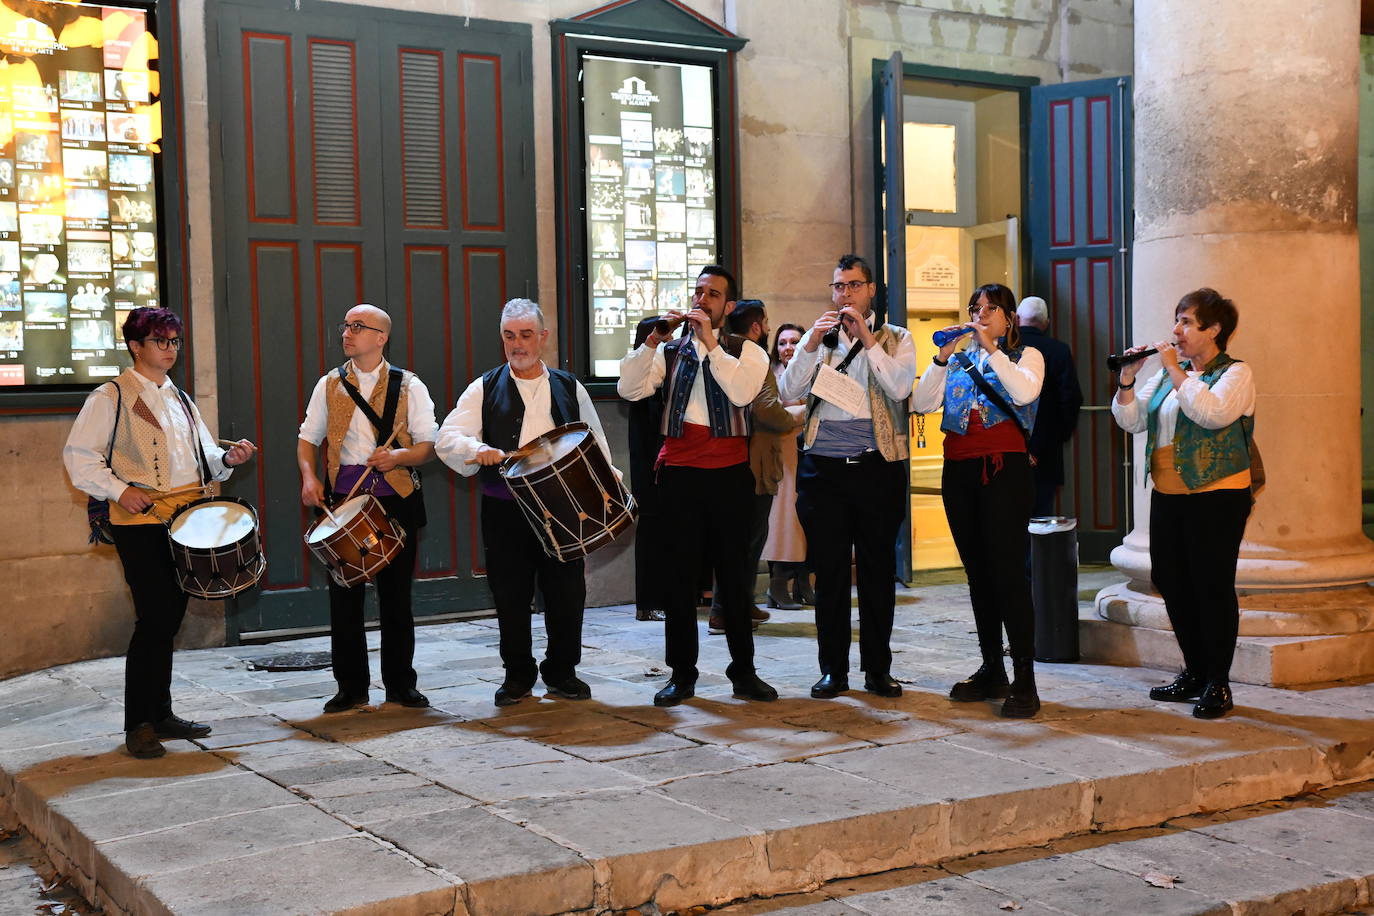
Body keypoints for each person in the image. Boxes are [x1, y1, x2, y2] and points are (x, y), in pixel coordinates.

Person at [63, 307, 257, 758]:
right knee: (153, 619)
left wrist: (227, 462)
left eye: (174, 342)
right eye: (160, 342)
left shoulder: (181, 399)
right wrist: (119, 489)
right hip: (141, 522)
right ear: (136, 346)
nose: (170, 350)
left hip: (186, 519)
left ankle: (162, 713)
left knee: (169, 619)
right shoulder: (109, 397)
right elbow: (79, 459)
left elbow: (203, 457)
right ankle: (138, 724)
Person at [436, 299, 618, 706]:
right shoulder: (484, 387)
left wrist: (609, 489)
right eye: (509, 335)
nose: (517, 344)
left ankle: (562, 671)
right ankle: (517, 674)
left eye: (525, 335)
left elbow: (596, 445)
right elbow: (447, 437)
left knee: (567, 593)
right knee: (510, 594)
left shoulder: (570, 387)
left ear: (542, 337)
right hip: (506, 509)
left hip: (565, 510)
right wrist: (475, 447)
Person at [618, 265, 778, 707]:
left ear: (728, 306)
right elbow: (630, 389)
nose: (702, 299)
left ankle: (743, 672)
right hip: (680, 475)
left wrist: (709, 342)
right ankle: (682, 673)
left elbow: (742, 392)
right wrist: (652, 340)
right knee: (680, 577)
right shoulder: (669, 352)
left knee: (734, 574)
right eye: (698, 291)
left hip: (729, 476)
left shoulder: (747, 352)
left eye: (713, 294)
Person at [1110, 288, 1255, 719]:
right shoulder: (1169, 376)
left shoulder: (1236, 373)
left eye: (1187, 322)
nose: (1176, 331)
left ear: (1214, 330)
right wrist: (1128, 379)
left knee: (1211, 586)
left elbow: (1211, 414)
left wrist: (1174, 369)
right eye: (1177, 320)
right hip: (1170, 493)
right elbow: (1133, 420)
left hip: (1218, 495)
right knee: (1171, 580)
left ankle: (1218, 681)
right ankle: (1194, 670)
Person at [779, 254, 917, 700]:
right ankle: (832, 670)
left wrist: (867, 340)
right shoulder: (820, 340)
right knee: (831, 575)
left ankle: (878, 670)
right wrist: (811, 343)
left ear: (871, 290)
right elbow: (788, 391)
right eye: (839, 287)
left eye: (854, 286)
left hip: (877, 468)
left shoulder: (898, 339)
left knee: (877, 574)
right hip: (824, 472)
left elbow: (899, 389)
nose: (845, 294)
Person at [913, 283, 1045, 717]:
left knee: (1007, 573)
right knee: (978, 573)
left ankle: (1024, 677)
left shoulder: (1027, 356)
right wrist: (940, 358)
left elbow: (1024, 394)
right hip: (960, 469)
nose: (981, 314)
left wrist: (991, 349)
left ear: (1010, 318)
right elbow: (922, 403)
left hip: (1004, 470)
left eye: (991, 309)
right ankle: (992, 668)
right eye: (975, 308)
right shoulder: (958, 360)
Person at [298, 304, 437, 714]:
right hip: (344, 500)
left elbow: (429, 446)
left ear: (381, 337)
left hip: (397, 500)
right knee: (344, 598)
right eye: (346, 325)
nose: (348, 333)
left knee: (396, 597)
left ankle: (400, 685)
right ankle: (351, 687)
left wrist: (399, 457)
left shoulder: (410, 386)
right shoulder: (329, 385)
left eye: (359, 327)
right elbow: (308, 438)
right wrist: (310, 477)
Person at [705, 299, 797, 632]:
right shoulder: (752, 358)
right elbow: (767, 409)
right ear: (756, 327)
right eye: (767, 323)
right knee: (745, 541)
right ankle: (724, 611)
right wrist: (795, 417)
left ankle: (739, 603)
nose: (770, 329)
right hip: (753, 461)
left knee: (741, 539)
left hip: (737, 459)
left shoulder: (725, 353)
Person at [1015, 296, 1083, 517]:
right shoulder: (1058, 350)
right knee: (1041, 514)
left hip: (1008, 445)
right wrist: (1060, 434)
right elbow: (1071, 397)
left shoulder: (1005, 350)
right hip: (1046, 446)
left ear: (1016, 319)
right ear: (1046, 322)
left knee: (1010, 516)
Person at [763, 323, 810, 608]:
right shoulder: (770, 375)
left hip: (810, 454)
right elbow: (775, 414)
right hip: (783, 456)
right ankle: (778, 586)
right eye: (782, 342)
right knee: (784, 524)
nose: (788, 347)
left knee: (807, 523)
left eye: (794, 341)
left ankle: (804, 584)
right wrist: (807, 409)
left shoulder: (812, 371)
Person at [627, 316, 667, 622]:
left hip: (666, 468)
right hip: (650, 469)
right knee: (652, 531)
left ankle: (660, 599)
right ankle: (647, 602)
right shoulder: (640, 381)